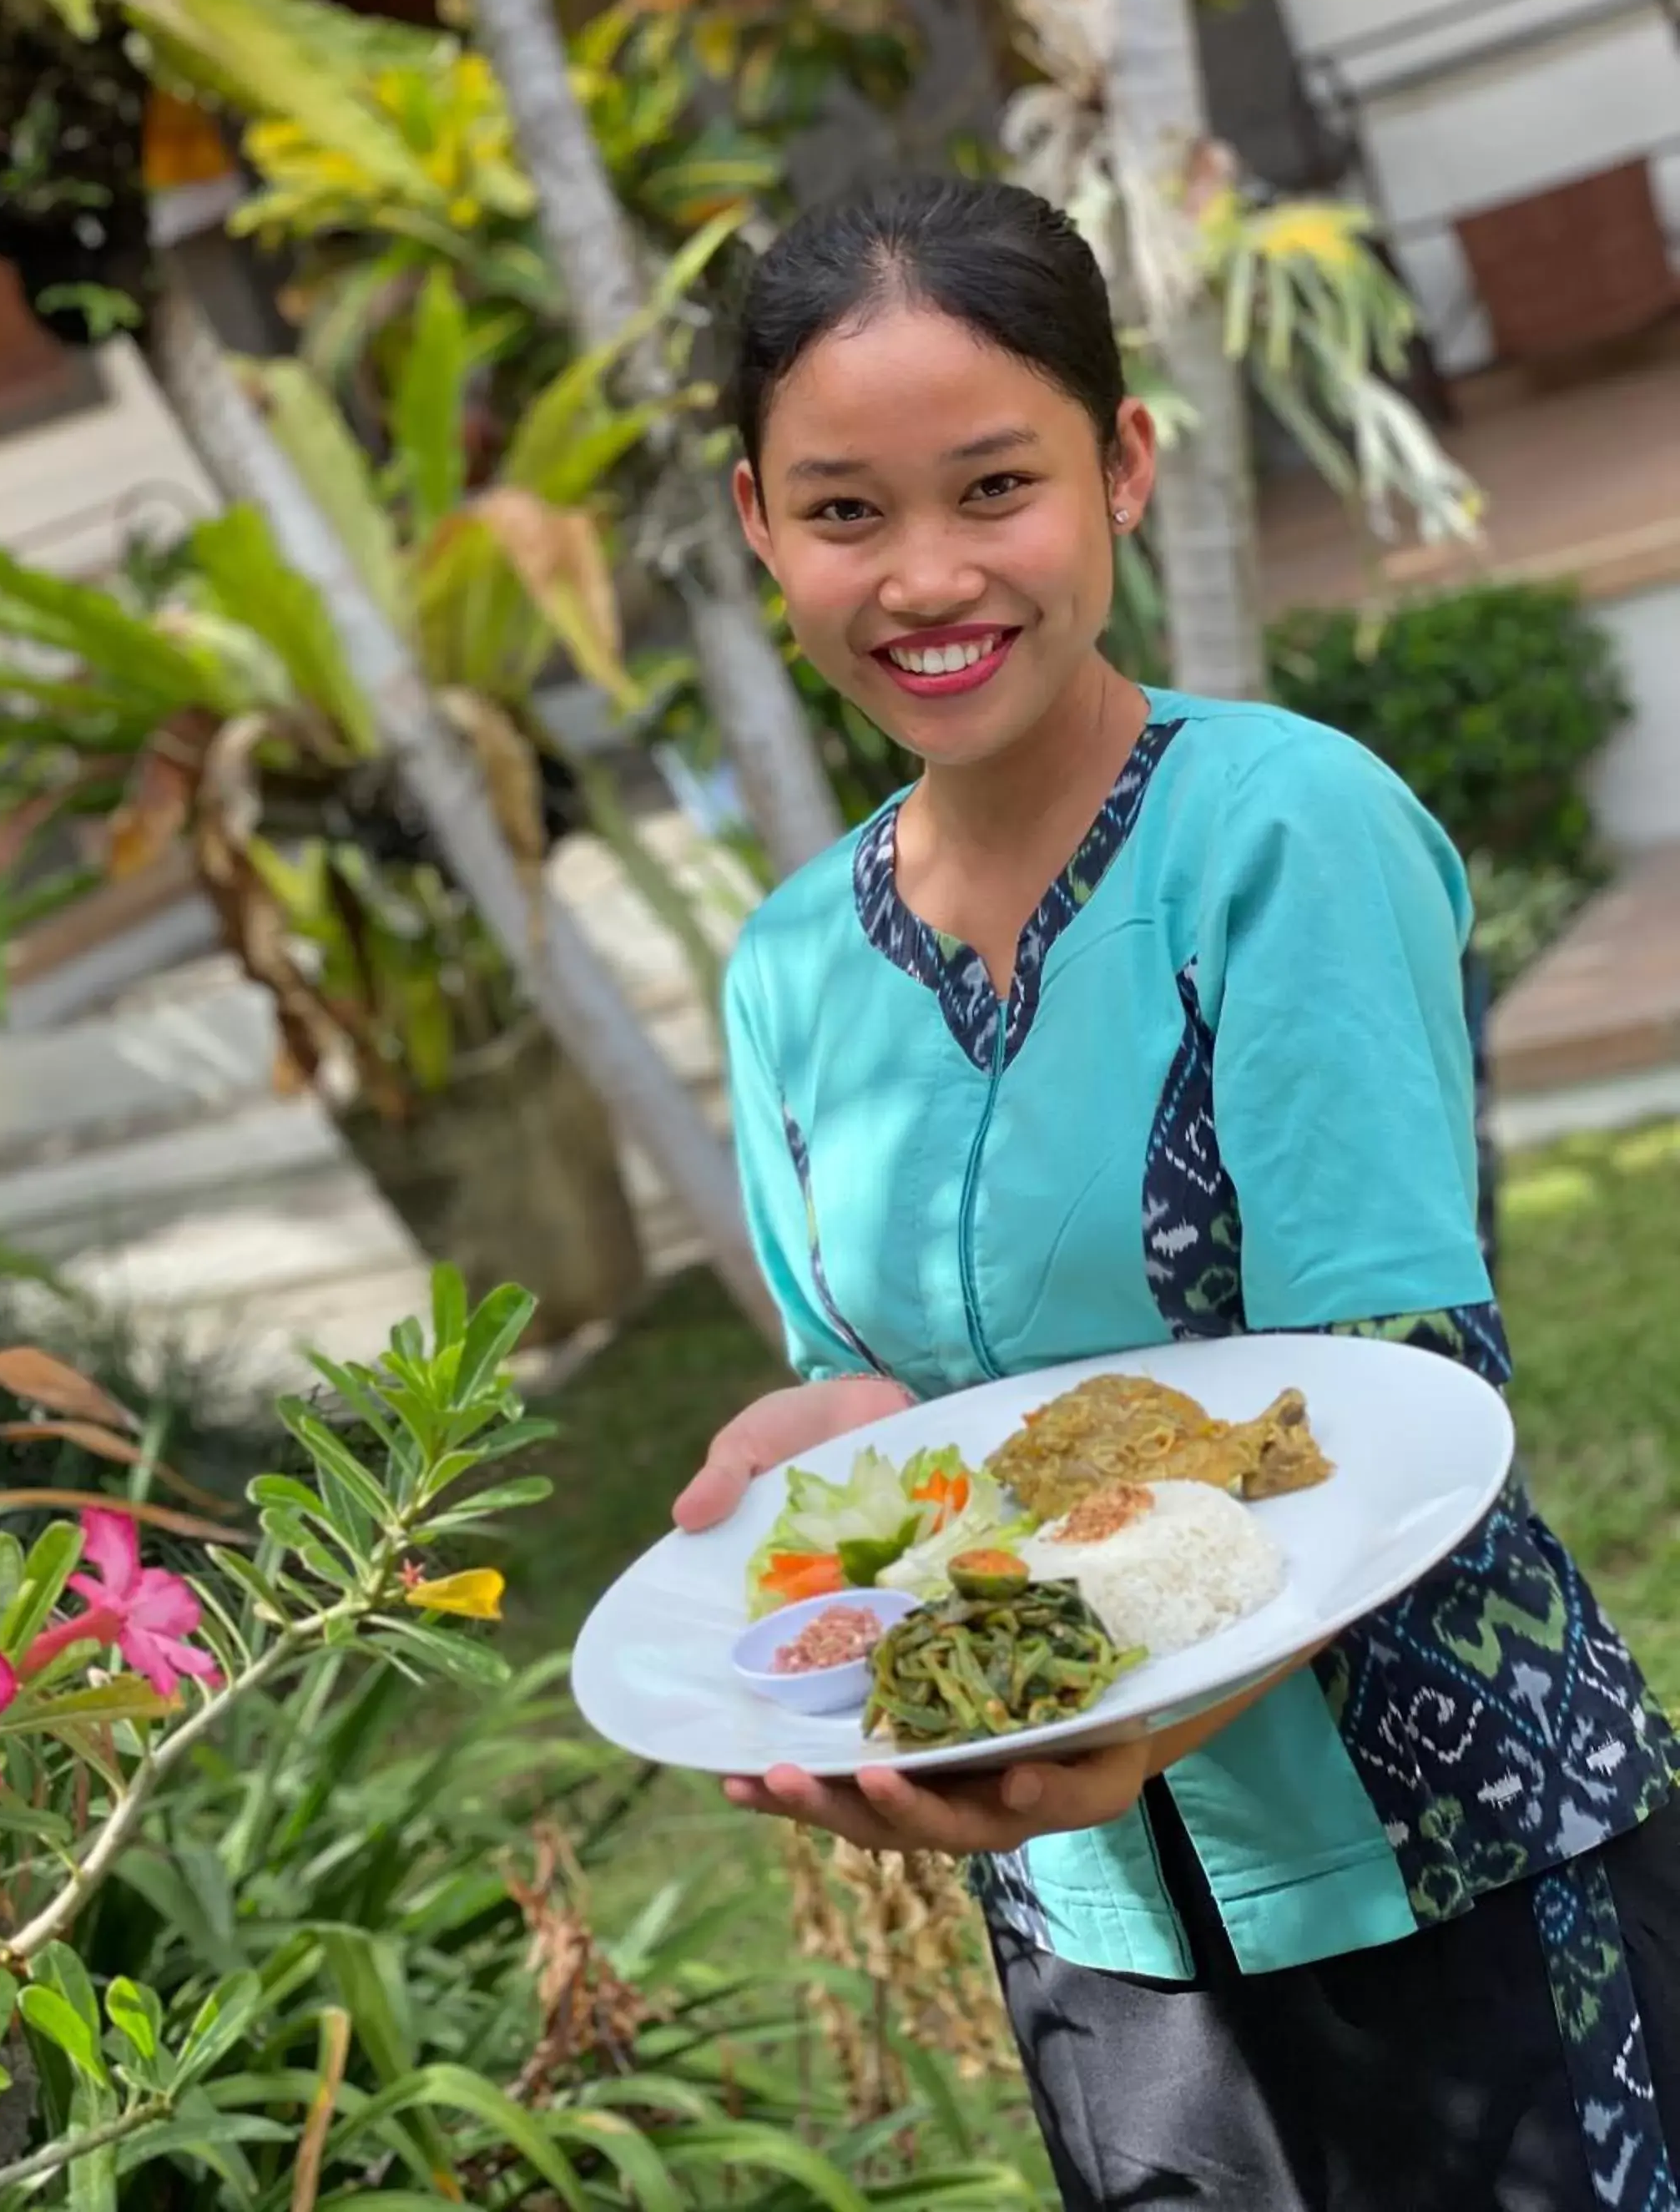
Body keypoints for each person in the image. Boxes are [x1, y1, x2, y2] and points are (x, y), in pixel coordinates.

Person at [672, 175, 1680, 2212]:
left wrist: (1140, 1718)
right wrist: (811, 1457)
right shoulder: (789, 966)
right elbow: (886, 1424)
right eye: (846, 510)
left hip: (1454, 1869)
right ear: (759, 529)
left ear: (1122, 467)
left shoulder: (1282, 832)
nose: (927, 574)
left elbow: (1396, 1395)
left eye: (993, 487)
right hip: (1086, 1932)